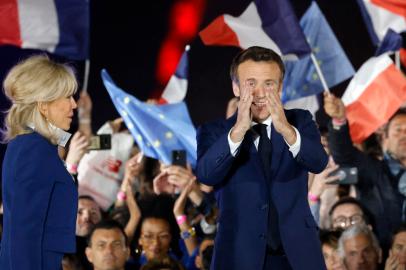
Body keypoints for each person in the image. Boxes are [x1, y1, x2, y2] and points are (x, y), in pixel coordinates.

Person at [196, 46, 328, 269]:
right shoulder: (214, 131)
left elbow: (318, 162)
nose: (260, 93)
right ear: (236, 87)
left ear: (280, 87)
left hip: (296, 257)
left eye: (268, 83)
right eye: (251, 83)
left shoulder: (300, 120)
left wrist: (286, 129)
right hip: (238, 257)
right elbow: (207, 175)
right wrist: (238, 131)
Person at [0, 55, 79, 269]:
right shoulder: (34, 149)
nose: (74, 104)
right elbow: (24, 229)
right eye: (68, 97)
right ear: (43, 104)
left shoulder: (30, 145)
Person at [324, 93, 406, 249]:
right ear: (385, 138)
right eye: (398, 130)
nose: (404, 135)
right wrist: (339, 121)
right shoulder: (372, 170)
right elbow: (344, 155)